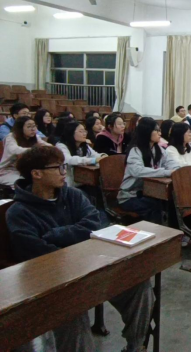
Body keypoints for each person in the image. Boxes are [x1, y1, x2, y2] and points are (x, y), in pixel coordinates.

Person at [6, 146, 154, 353]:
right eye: (57, 167)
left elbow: (94, 222)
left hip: (88, 268)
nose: (64, 172)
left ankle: (136, 346)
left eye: (64, 166)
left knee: (139, 285)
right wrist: (79, 241)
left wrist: (56, 234)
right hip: (51, 283)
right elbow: (38, 253)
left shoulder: (72, 195)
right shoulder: (19, 212)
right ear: (37, 174)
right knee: (73, 313)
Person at [118, 118, 180, 224]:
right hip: (131, 196)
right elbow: (138, 171)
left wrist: (176, 170)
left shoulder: (159, 149)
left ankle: (173, 231)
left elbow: (171, 162)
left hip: (151, 193)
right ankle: (155, 231)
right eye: (156, 130)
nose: (160, 133)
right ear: (147, 132)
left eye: (160, 130)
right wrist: (167, 172)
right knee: (155, 206)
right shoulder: (135, 150)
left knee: (173, 202)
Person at [0, 116, 49, 188]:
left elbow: (48, 146)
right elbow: (14, 150)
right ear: (20, 128)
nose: (33, 129)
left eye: (34, 126)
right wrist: (35, 149)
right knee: (22, 183)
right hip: (8, 170)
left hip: (27, 170)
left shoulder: (36, 137)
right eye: (29, 127)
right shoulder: (11, 136)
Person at [57, 122, 108, 188]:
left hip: (83, 182)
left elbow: (95, 155)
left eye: (85, 131)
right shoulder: (61, 146)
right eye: (81, 131)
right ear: (71, 132)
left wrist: (103, 156)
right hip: (68, 184)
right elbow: (69, 160)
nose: (84, 134)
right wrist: (93, 160)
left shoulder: (84, 145)